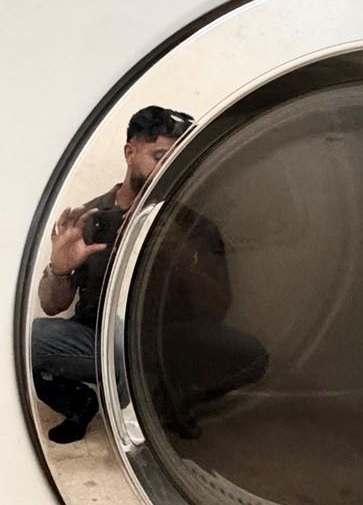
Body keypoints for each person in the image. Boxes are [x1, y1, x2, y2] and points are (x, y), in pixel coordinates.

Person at [32, 106, 268, 445]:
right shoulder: (93, 216)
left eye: (175, 161)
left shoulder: (194, 225)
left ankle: (165, 400)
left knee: (252, 356)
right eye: (159, 156)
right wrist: (60, 268)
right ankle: (79, 403)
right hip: (100, 342)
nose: (165, 171)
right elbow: (52, 305)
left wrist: (177, 247)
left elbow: (218, 309)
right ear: (130, 152)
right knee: (33, 338)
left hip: (168, 343)